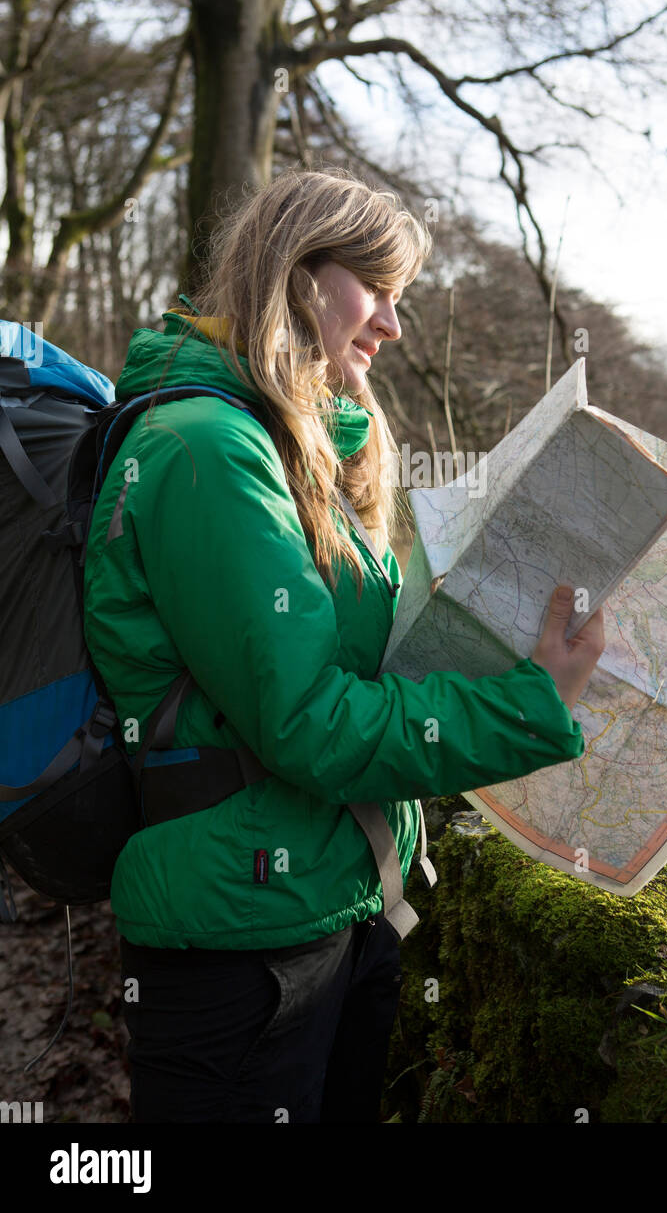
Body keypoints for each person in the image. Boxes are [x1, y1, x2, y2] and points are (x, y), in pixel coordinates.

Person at [82, 166, 605, 1124]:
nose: (394, 328)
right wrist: (532, 702)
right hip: (242, 948)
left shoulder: (296, 448)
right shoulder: (208, 451)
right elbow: (309, 724)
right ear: (297, 272)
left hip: (333, 914)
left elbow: (344, 663)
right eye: (379, 291)